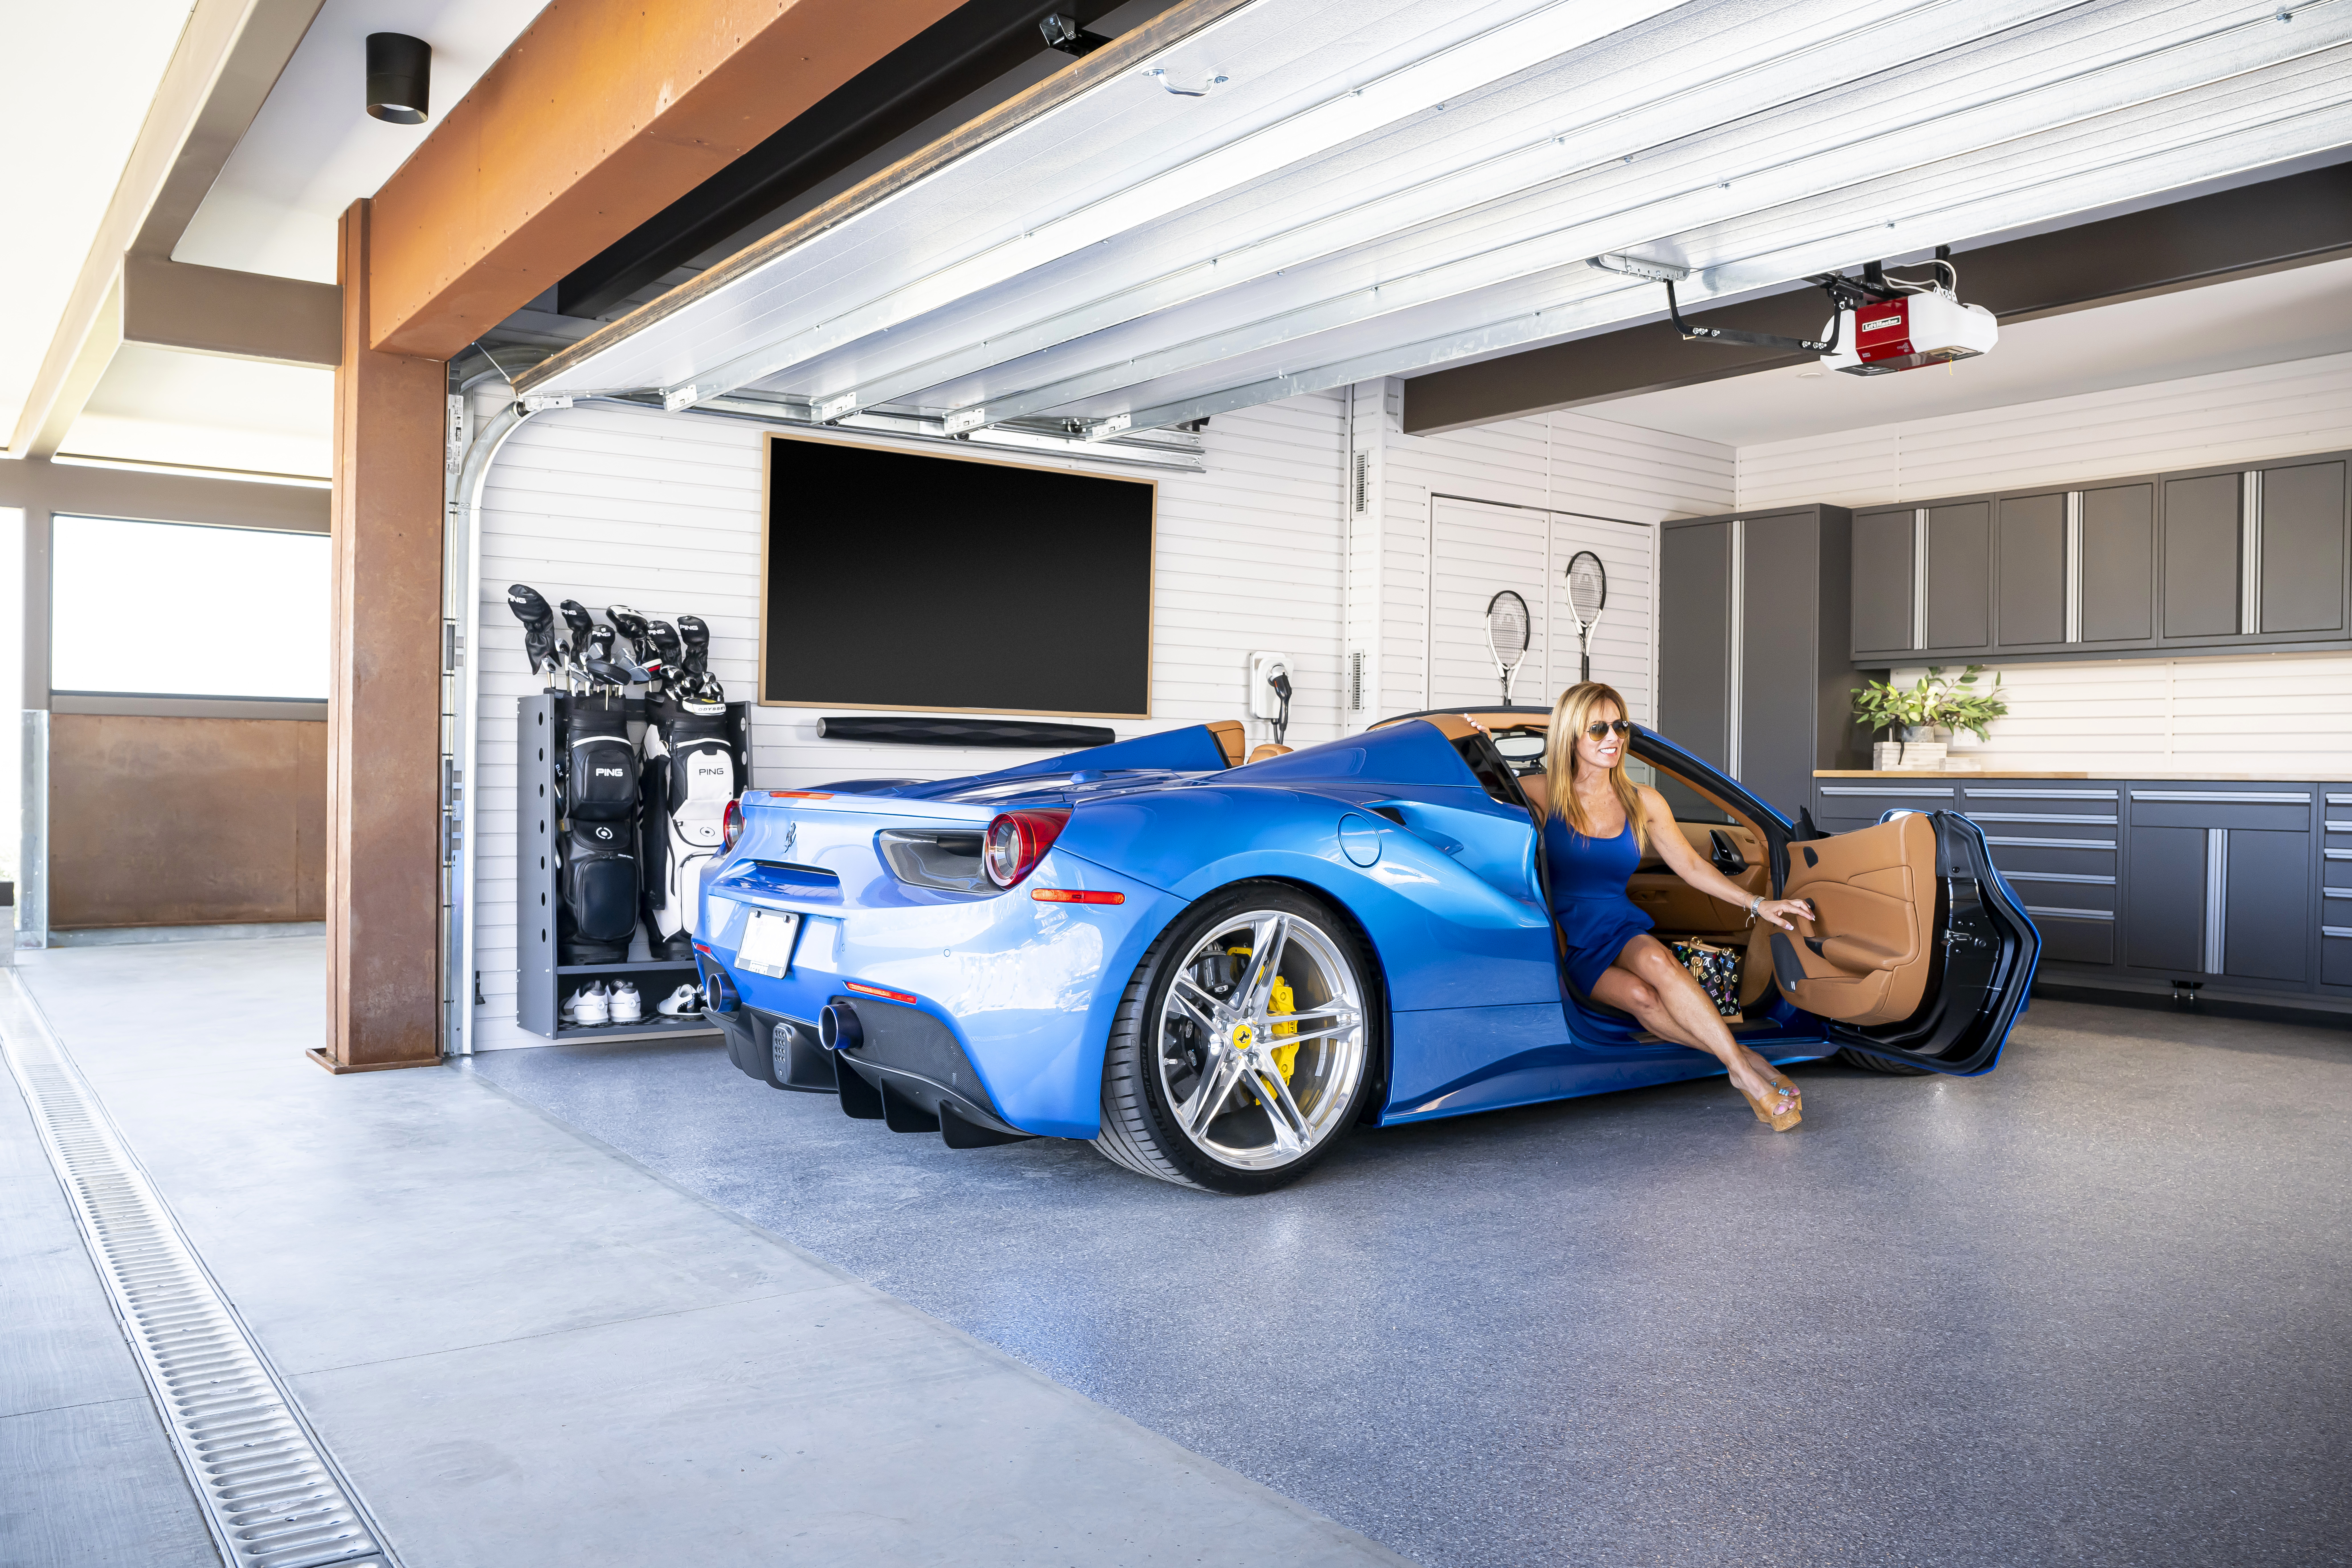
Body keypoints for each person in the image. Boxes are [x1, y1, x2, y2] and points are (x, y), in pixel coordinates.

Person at [1535, 681, 1814, 1130]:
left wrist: (1757, 903)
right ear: (1570, 734)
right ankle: (1743, 1056)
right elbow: (1472, 807)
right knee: (1641, 997)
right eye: (1599, 728)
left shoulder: (1642, 801)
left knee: (1658, 961)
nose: (1614, 738)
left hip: (1615, 922)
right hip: (1565, 936)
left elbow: (1689, 866)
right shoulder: (1543, 794)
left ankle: (1742, 1075)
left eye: (1620, 726)